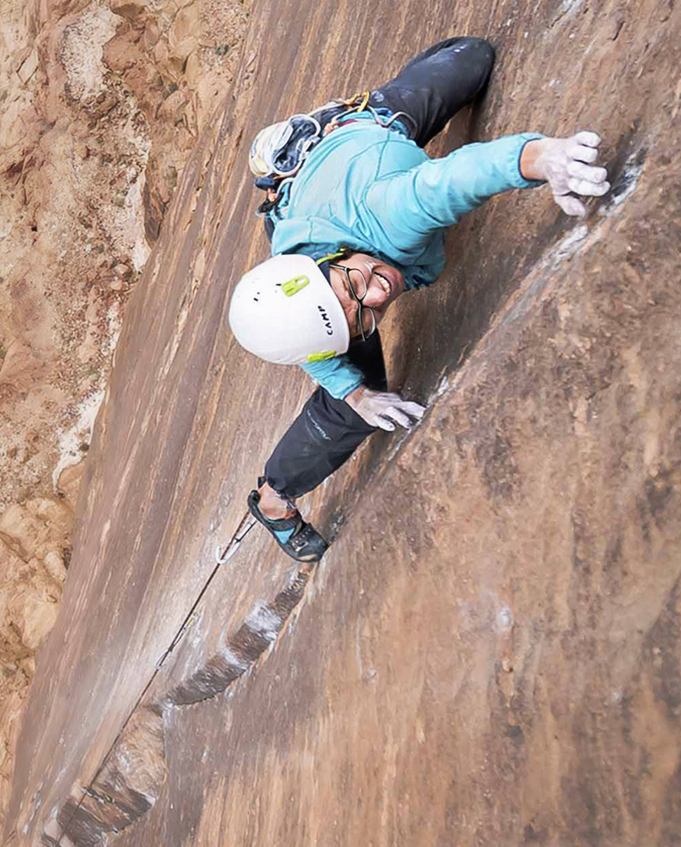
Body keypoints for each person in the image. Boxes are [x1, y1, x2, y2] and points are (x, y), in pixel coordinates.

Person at [228, 36, 608, 560]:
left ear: (328, 259)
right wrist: (356, 394)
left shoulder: (389, 214)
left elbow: (451, 181)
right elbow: (314, 347)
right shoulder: (306, 293)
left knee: (473, 59)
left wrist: (545, 158)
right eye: (361, 321)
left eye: (353, 285)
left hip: (363, 134)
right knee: (354, 403)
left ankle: (323, 135)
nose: (379, 292)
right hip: (311, 203)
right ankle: (273, 500)